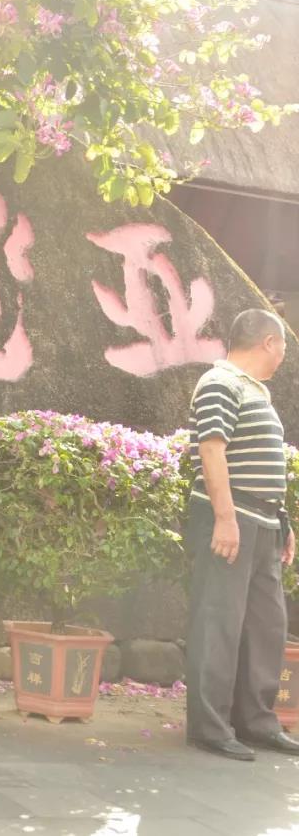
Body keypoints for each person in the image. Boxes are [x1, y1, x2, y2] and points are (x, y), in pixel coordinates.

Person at [185, 307, 299, 760]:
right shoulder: (220, 382)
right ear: (269, 342)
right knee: (219, 622)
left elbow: (259, 461)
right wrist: (225, 518)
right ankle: (210, 728)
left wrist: (282, 522)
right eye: (284, 346)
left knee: (265, 626)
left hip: (263, 523)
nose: (284, 356)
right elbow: (212, 450)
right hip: (232, 519)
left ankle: (255, 722)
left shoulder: (255, 391)